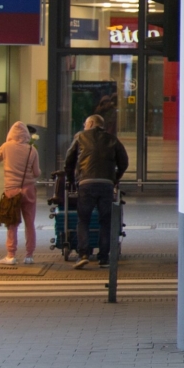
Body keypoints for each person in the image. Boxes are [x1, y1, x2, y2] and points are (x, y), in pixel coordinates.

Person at [62, 114, 129, 269]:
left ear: (91, 123)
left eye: (85, 124)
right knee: (105, 221)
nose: (84, 126)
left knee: (83, 219)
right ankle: (104, 258)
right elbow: (124, 162)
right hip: (106, 185)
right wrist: (115, 178)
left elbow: (68, 160)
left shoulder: (80, 137)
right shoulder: (112, 139)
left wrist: (72, 180)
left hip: (86, 183)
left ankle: (83, 254)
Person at [0, 121, 41, 266]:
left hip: (11, 191)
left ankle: (11, 255)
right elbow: (37, 172)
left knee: (12, 223)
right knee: (30, 224)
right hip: (28, 190)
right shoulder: (31, 150)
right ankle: (29, 255)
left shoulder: (6, 147)